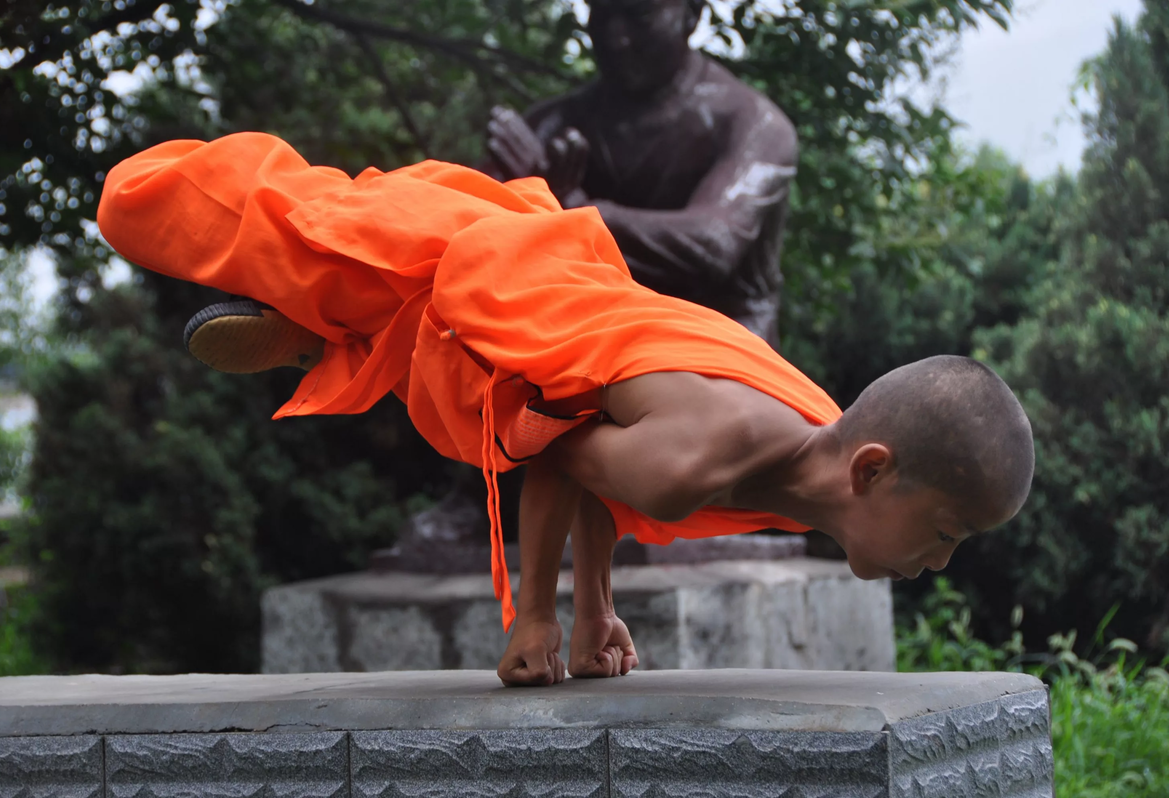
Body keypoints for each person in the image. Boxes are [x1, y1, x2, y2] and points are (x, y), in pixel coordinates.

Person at [97, 132, 1035, 687]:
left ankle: (324, 330)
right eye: (947, 532)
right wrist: (541, 617)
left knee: (370, 308)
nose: (941, 562)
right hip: (482, 294)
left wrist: (596, 618)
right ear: (871, 469)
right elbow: (554, 442)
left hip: (553, 311)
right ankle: (316, 321)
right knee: (252, 219)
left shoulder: (809, 428)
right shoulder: (698, 458)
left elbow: (596, 419)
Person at [483, 0, 798, 346]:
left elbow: (711, 242)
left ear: (691, 16)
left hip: (720, 347)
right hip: (587, 338)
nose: (616, 38)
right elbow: (473, 234)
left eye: (640, 15)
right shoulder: (555, 122)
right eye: (602, 14)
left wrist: (571, 209)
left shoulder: (754, 125)